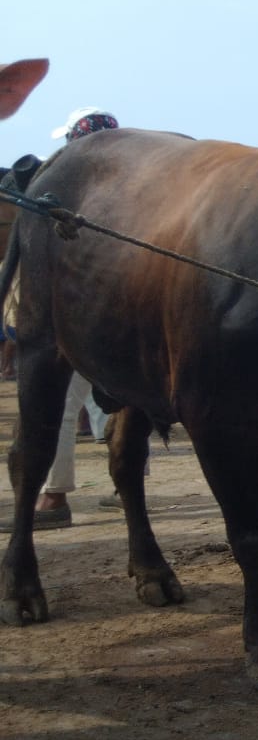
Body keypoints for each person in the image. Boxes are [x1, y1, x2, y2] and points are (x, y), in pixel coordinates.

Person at [0, 109, 120, 531]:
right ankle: (125, 484)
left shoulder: (77, 191)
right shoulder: (129, 191)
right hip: (121, 315)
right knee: (122, 400)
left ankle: (53, 497)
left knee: (63, 404)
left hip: (79, 319)